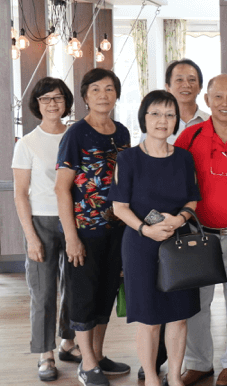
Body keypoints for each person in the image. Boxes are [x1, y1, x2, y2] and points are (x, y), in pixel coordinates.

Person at [110, 90, 201, 386]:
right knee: (149, 319)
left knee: (179, 316)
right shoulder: (128, 158)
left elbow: (192, 199)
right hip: (140, 246)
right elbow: (120, 207)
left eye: (169, 114)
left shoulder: (184, 158)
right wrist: (145, 229)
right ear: (144, 118)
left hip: (177, 245)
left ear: (176, 121)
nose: (163, 120)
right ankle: (151, 377)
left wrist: (180, 218)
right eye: (156, 113)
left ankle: (174, 377)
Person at [55, 68, 132, 386]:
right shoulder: (76, 134)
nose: (104, 94)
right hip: (85, 232)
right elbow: (62, 188)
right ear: (85, 96)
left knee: (106, 295)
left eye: (110, 89)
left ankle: (98, 355)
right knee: (84, 297)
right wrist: (71, 238)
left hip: (117, 231)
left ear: (116, 94)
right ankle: (86, 364)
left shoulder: (123, 133)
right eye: (96, 89)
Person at [177, 75, 227, 386]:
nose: (225, 103)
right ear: (207, 100)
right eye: (218, 97)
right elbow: (175, 180)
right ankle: (198, 362)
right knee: (197, 304)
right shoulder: (189, 137)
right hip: (199, 235)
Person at [12, 77, 78, 381]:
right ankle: (45, 353)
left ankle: (67, 342)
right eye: (45, 98)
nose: (53, 103)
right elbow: (20, 194)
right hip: (42, 222)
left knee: (75, 288)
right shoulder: (27, 143)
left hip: (75, 222)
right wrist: (31, 237)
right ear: (37, 105)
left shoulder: (75, 136)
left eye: (58, 97)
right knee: (44, 292)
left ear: (66, 102)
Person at [164, 59, 209, 143]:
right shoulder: (156, 124)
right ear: (168, 88)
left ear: (200, 87)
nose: (186, 85)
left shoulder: (213, 123)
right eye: (179, 80)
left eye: (191, 80)